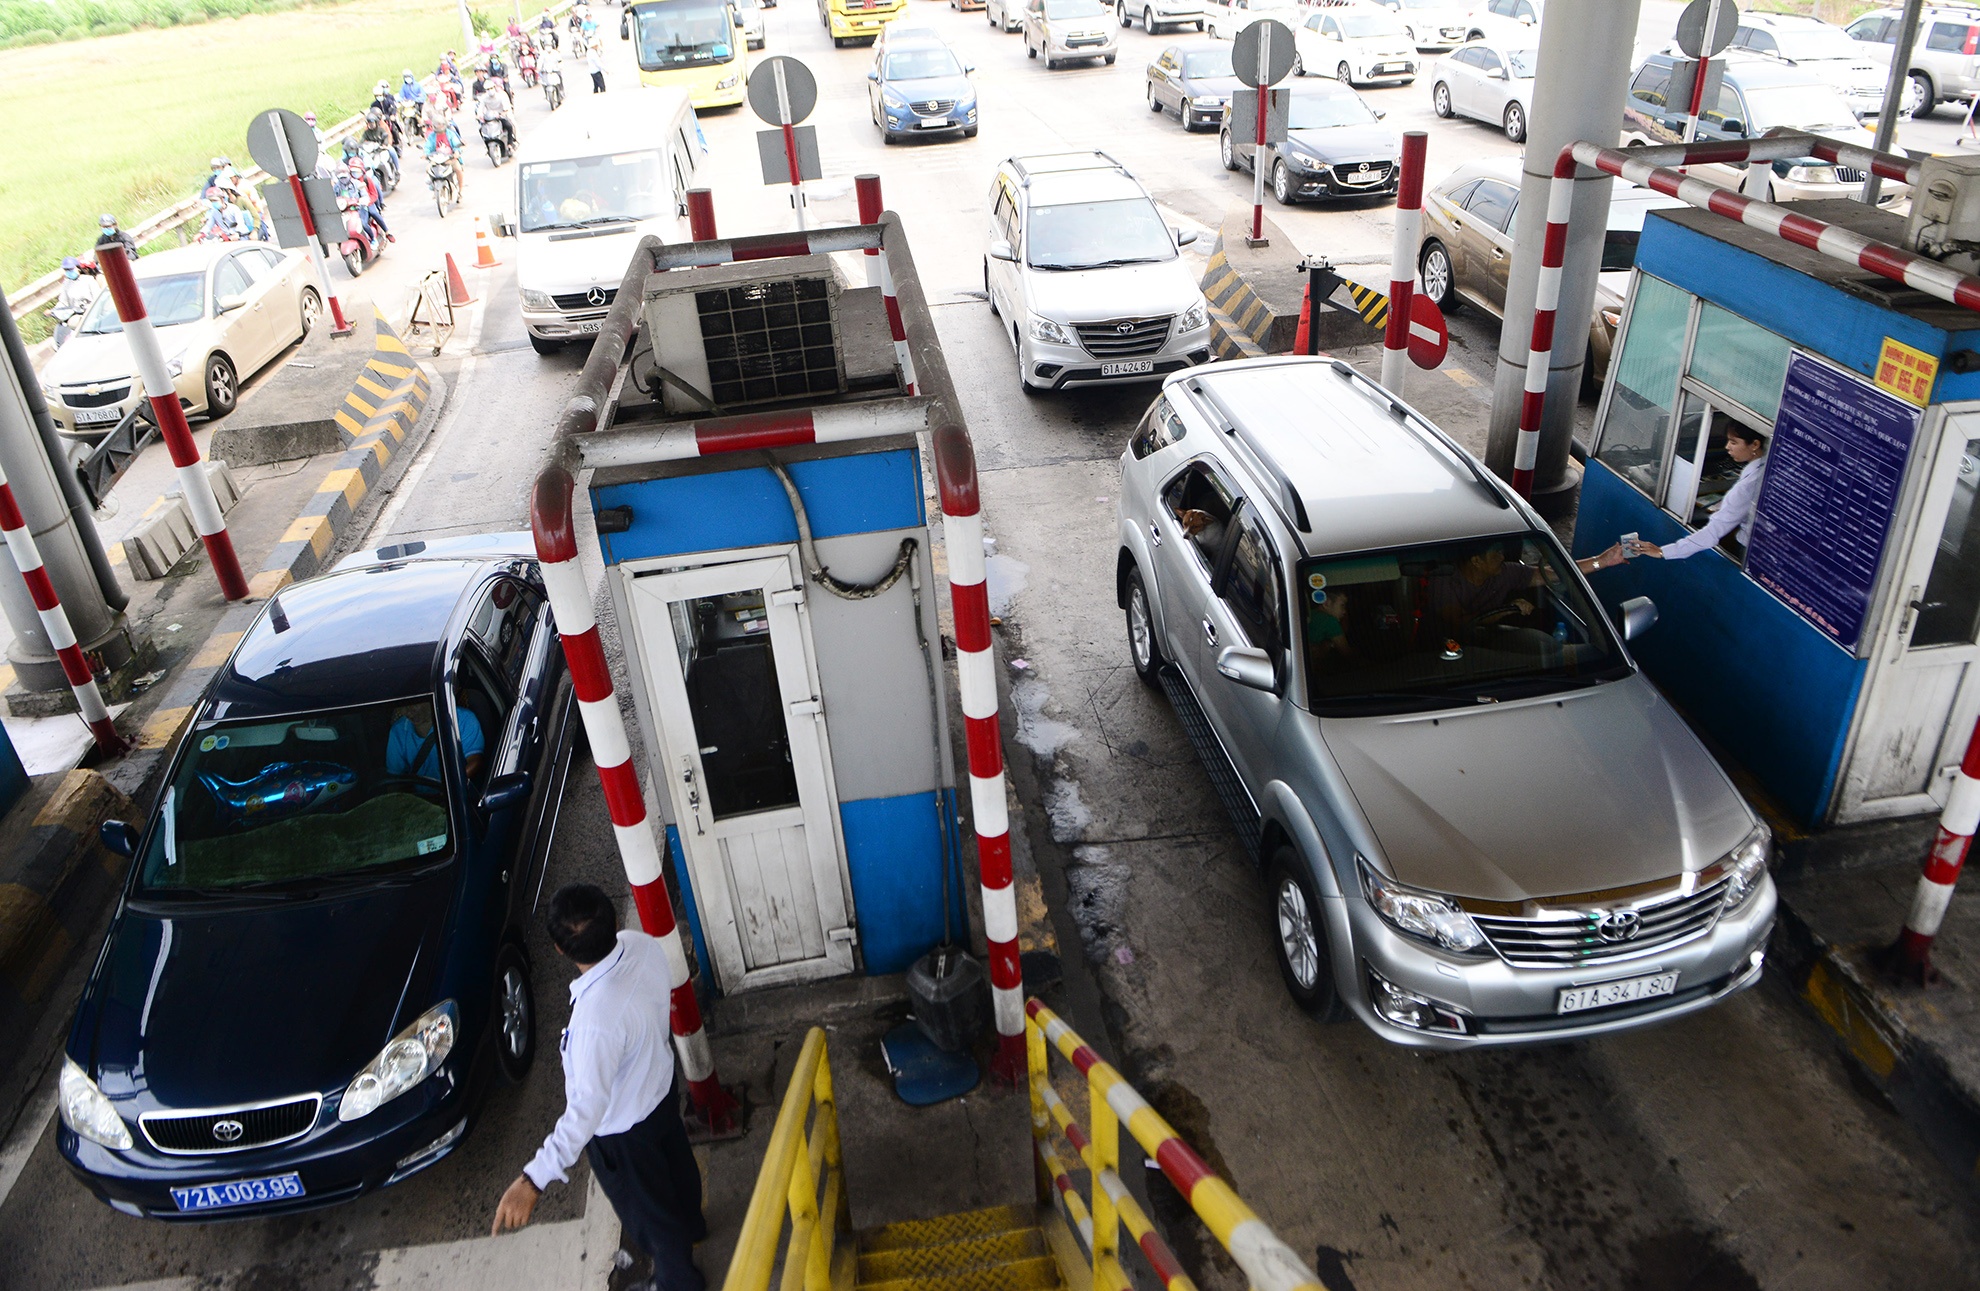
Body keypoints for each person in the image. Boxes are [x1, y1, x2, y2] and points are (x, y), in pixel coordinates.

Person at [493, 884, 708, 1291]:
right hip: (661, 1092)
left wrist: (533, 1180)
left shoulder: (596, 1023)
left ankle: (679, 1284)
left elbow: (585, 1111)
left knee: (651, 1218)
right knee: (679, 1175)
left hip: (626, 1136)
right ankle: (694, 1225)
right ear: (611, 920)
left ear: (561, 950)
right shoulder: (640, 946)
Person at [1634, 426, 1768, 561]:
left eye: (1733, 442)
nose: (1727, 447)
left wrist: (1663, 552)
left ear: (1755, 444)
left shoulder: (1748, 485)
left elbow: (1712, 533)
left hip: (1749, 551)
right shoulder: (1770, 467)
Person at [386, 701, 479, 781]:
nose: (407, 711)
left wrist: (449, 790)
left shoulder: (462, 719)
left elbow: (474, 762)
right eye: (402, 706)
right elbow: (395, 778)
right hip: (420, 799)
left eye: (413, 704)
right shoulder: (398, 731)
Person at [51, 257, 98, 348]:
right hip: (74, 314)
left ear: (77, 268)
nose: (69, 271)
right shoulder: (66, 284)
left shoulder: (88, 280)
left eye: (70, 269)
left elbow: (96, 298)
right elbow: (63, 302)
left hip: (89, 313)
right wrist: (54, 311)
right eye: (66, 270)